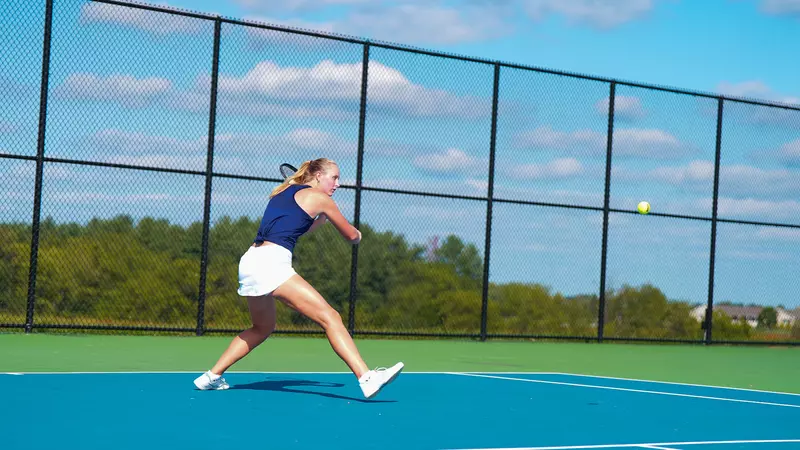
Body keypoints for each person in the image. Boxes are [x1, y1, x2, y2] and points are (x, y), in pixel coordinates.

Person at [193, 158, 403, 399]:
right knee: (330, 317)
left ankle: (211, 376)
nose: (338, 184)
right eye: (334, 177)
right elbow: (351, 236)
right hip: (272, 262)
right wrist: (358, 234)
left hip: (250, 261)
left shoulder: (282, 192)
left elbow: (294, 229)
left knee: (262, 327)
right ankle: (367, 378)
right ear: (317, 176)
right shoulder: (321, 199)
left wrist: (319, 221)